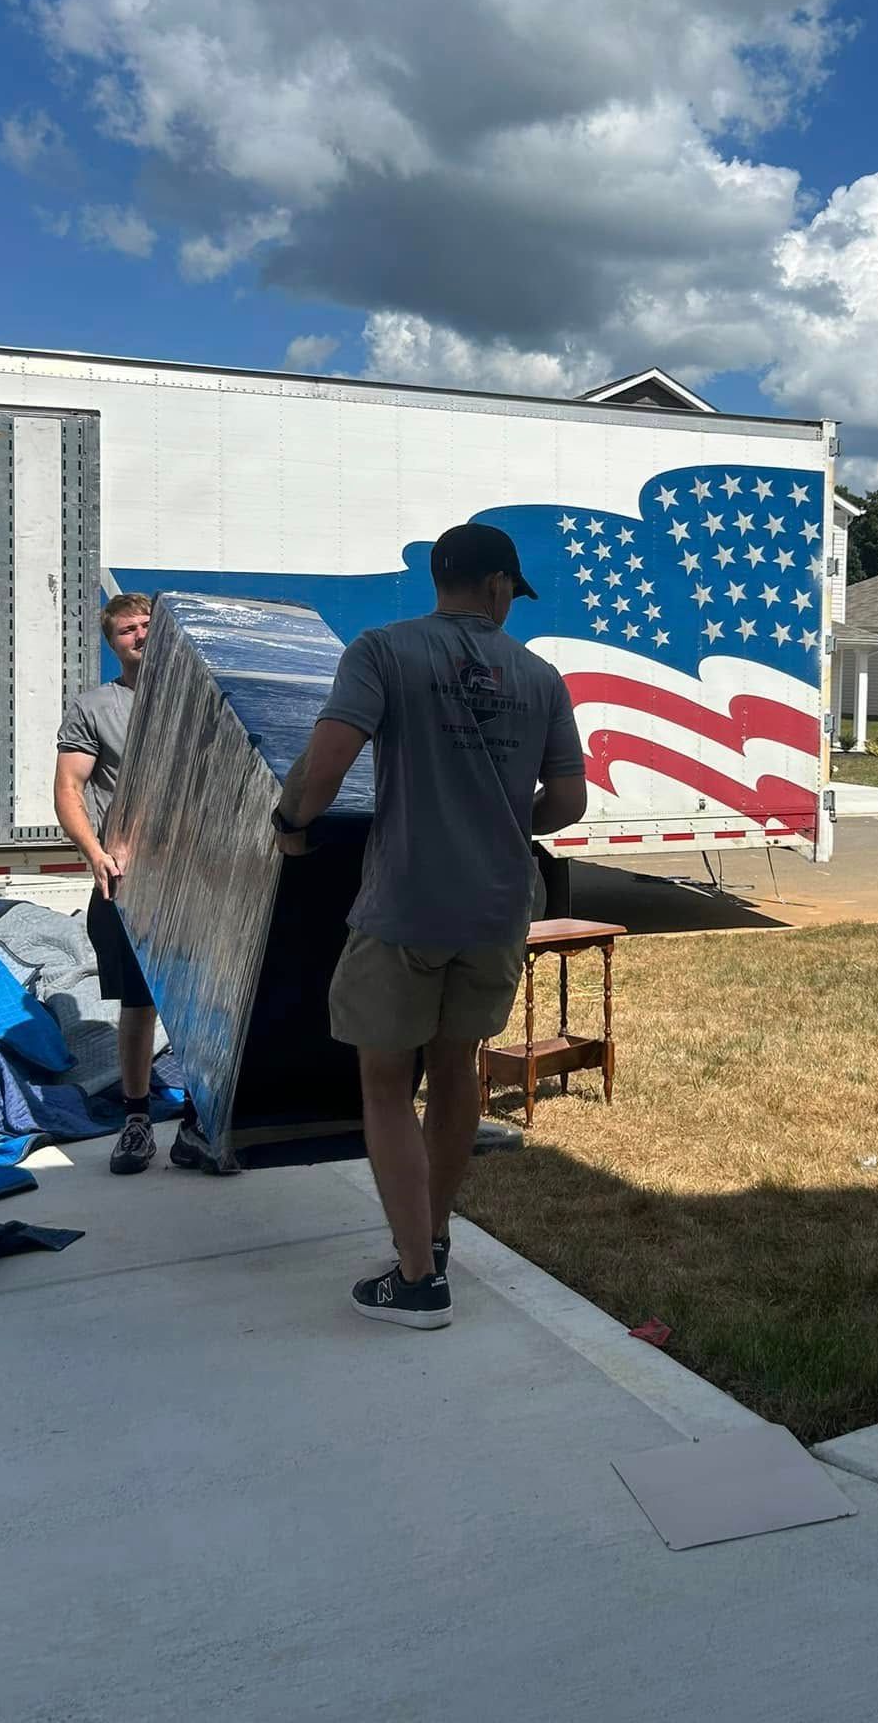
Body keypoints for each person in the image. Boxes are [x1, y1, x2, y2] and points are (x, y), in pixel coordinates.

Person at [272, 523, 587, 1329]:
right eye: (513, 593)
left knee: (385, 1084)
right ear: (494, 587)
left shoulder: (383, 651)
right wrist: (505, 818)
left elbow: (330, 759)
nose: (510, 604)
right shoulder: (541, 677)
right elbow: (568, 804)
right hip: (496, 906)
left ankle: (416, 1279)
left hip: (407, 902)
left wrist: (290, 819)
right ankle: (434, 1236)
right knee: (456, 1071)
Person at [53, 592, 223, 1177]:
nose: (141, 636)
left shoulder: (200, 701)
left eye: (149, 625)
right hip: (126, 882)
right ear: (113, 643)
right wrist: (95, 853)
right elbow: (70, 789)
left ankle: (201, 1124)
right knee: (140, 1001)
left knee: (200, 1002)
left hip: (196, 877)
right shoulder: (94, 707)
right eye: (128, 630)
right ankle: (135, 1122)